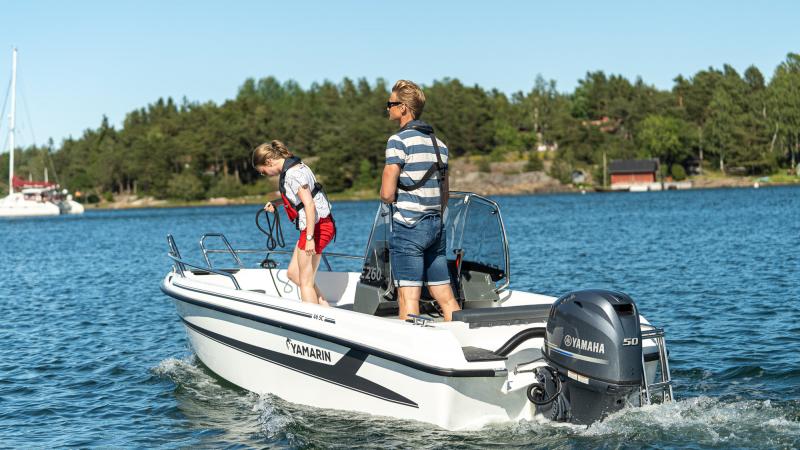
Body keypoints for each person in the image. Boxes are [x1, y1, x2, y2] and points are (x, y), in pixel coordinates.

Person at [379, 80, 461, 322]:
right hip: (436, 226)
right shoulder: (440, 145)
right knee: (444, 294)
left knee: (408, 297)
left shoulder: (398, 141)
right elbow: (444, 193)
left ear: (403, 108)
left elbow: (386, 194)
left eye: (390, 104)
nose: (388, 108)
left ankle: (409, 343)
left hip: (409, 227)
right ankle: (462, 336)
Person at [252, 140, 335, 307]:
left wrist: (310, 238)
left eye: (262, 171)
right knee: (293, 274)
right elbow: (302, 199)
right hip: (315, 225)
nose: (264, 174)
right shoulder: (297, 167)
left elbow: (309, 205)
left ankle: (312, 319)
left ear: (269, 161)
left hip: (317, 227)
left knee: (305, 282)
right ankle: (326, 308)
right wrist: (277, 203)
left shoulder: (293, 174)